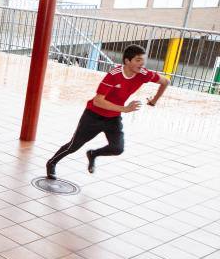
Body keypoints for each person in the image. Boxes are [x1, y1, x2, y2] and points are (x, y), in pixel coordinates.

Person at [46, 44, 170, 180]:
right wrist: (125, 109)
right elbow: (98, 101)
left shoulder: (144, 74)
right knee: (73, 146)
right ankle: (51, 163)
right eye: (138, 60)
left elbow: (166, 81)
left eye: (143, 60)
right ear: (127, 61)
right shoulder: (113, 75)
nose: (142, 64)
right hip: (93, 116)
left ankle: (93, 154)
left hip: (113, 118)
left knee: (117, 148)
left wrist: (154, 101)